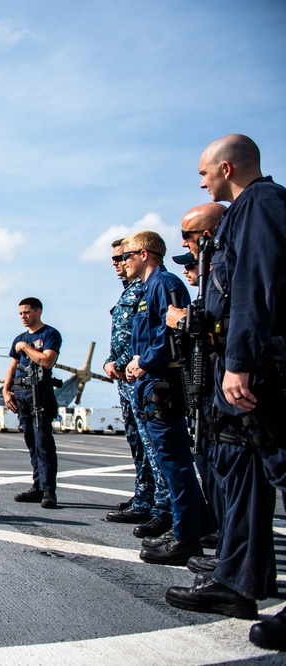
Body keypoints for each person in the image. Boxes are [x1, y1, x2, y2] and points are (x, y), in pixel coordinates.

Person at [165, 134, 286, 651]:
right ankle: (240, 582)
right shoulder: (242, 212)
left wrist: (238, 363)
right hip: (236, 369)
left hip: (259, 370)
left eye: (204, 171)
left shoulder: (261, 204)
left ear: (227, 167)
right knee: (241, 477)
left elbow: (256, 288)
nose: (201, 179)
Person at [123, 231, 211, 565]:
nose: (123, 262)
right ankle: (195, 526)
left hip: (162, 382)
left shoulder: (165, 283)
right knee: (170, 460)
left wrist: (143, 362)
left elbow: (173, 330)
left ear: (144, 254)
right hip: (150, 382)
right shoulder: (149, 289)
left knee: (174, 462)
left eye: (127, 255)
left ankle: (187, 537)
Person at [102, 240, 166, 529]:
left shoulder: (148, 288)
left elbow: (143, 337)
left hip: (139, 376)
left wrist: (121, 362)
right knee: (138, 444)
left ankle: (162, 507)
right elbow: (121, 336)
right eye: (115, 259)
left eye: (122, 257)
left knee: (153, 445)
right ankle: (144, 497)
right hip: (125, 380)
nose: (118, 263)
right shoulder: (128, 291)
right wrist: (110, 361)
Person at [2, 297, 62, 509]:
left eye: (27, 312)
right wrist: (6, 391)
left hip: (40, 393)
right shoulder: (18, 338)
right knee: (31, 443)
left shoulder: (50, 334)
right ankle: (37, 486)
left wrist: (26, 347)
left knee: (44, 443)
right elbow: (12, 367)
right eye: (20, 313)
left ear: (38, 311)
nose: (23, 317)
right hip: (21, 394)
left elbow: (47, 360)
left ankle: (48, 491)